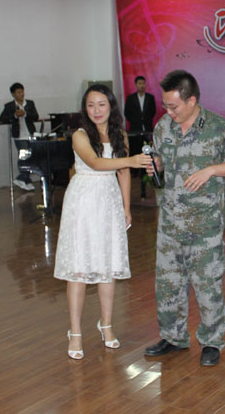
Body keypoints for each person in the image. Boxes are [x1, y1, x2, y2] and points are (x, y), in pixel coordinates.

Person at [144, 70, 225, 367]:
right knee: (168, 284)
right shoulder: (163, 127)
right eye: (165, 106)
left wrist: (211, 170)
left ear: (191, 100)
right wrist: (156, 166)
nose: (169, 112)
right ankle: (173, 337)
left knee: (207, 286)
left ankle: (211, 342)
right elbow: (162, 160)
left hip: (205, 225)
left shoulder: (217, 127)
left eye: (174, 106)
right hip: (170, 222)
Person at [53, 84, 152, 360]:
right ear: (84, 109)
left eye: (101, 104)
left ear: (111, 106)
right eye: (90, 105)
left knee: (107, 265)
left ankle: (106, 325)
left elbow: (123, 173)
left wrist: (126, 207)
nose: (96, 110)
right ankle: (75, 332)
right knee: (79, 268)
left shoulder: (120, 133)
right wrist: (131, 160)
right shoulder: (80, 135)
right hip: (83, 199)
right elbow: (96, 163)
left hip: (109, 199)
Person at [0, 82, 39, 191]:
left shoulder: (29, 103)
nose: (22, 94)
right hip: (19, 136)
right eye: (19, 92)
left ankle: (25, 180)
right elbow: (2, 118)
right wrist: (15, 115)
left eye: (22, 91)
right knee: (24, 157)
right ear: (13, 94)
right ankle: (22, 178)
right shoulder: (9, 106)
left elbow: (36, 116)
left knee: (31, 157)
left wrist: (25, 114)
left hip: (30, 135)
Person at [124, 75, 157, 198]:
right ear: (136, 84)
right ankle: (135, 176)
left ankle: (147, 179)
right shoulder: (131, 98)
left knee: (147, 156)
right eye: (139, 83)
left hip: (147, 131)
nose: (141, 85)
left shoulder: (150, 98)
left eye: (143, 83)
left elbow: (153, 112)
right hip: (135, 132)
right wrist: (136, 122)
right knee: (136, 154)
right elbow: (127, 113)